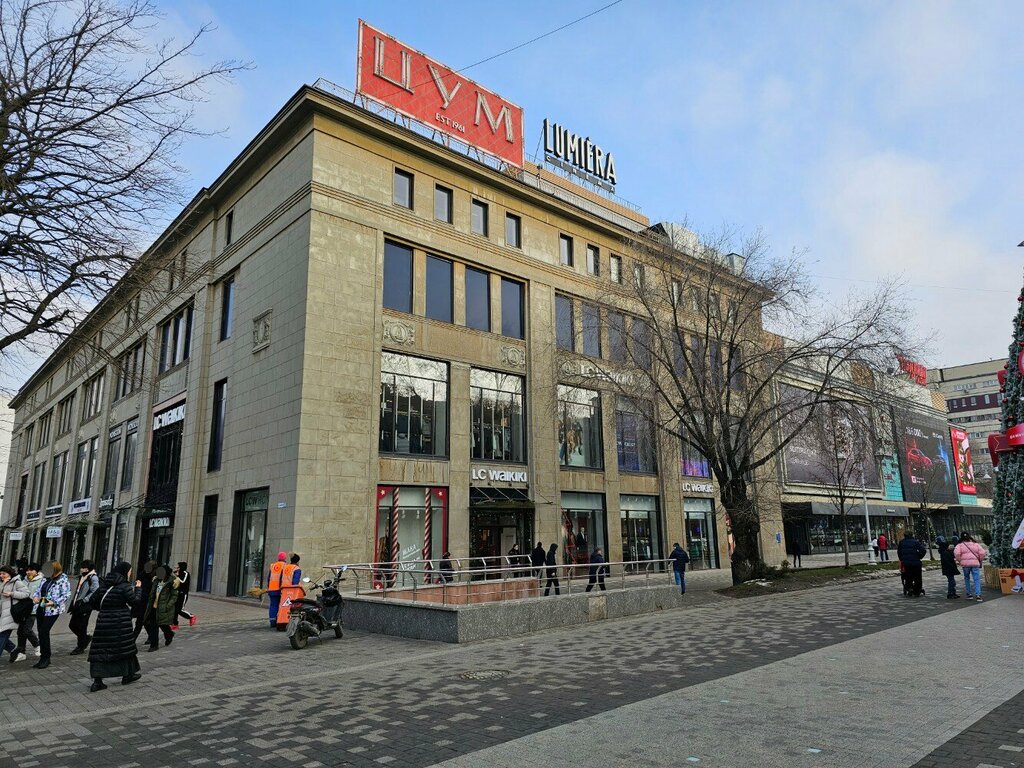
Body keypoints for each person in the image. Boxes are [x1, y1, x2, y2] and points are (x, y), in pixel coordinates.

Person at [88, 561, 142, 691]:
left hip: (103, 622)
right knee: (125, 648)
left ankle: (97, 681)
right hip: (120, 622)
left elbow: (92, 600)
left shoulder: (104, 584)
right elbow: (135, 601)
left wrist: (105, 609)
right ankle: (128, 675)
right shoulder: (125, 586)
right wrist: (138, 588)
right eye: (130, 571)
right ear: (125, 572)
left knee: (100, 649)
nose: (130, 573)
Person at [33, 560, 71, 669]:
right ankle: (44, 657)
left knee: (44, 631)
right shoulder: (45, 578)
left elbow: (66, 594)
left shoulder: (63, 579)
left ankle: (46, 657)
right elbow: (38, 590)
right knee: (41, 632)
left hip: (53, 609)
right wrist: (35, 597)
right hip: (41, 606)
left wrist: (54, 602)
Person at [10, 562, 44, 663]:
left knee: (27, 630)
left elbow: (44, 596)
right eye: (27, 570)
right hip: (22, 610)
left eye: (31, 570)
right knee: (20, 632)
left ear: (37, 571)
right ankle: (21, 653)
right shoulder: (22, 580)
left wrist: (39, 604)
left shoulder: (42, 581)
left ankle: (37, 645)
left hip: (33, 610)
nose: (28, 572)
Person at [143, 564, 179, 651]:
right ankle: (154, 645)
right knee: (153, 626)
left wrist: (167, 606)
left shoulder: (172, 582)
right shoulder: (156, 580)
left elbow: (174, 596)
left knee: (163, 625)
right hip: (154, 607)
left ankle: (169, 634)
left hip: (163, 607)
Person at [69, 560, 100, 654]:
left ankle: (80, 647)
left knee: (82, 626)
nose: (81, 569)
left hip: (86, 605)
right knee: (72, 625)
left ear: (88, 569)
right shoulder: (83, 577)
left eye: (83, 568)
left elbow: (95, 591)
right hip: (78, 604)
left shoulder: (93, 577)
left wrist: (85, 600)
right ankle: (85, 638)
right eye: (81, 567)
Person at [954, 533, 988, 601]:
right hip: (975, 564)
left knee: (967, 578)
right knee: (976, 579)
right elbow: (983, 553)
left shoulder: (959, 545)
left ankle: (969, 594)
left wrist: (960, 561)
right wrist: (979, 560)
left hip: (965, 565)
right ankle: (978, 595)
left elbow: (957, 553)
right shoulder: (976, 544)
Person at [276, 554, 303, 630]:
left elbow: (281, 578)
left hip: (284, 590)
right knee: (291, 607)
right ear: (297, 561)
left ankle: (280, 621)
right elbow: (295, 582)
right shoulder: (296, 569)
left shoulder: (285, 567)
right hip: (292, 590)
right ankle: (289, 621)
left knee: (282, 607)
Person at [897, 530, 927, 597]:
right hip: (916, 562)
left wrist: (902, 559)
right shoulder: (916, 542)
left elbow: (899, 552)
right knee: (918, 577)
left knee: (908, 576)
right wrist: (919, 556)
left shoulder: (901, 542)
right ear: (912, 535)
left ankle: (909, 588)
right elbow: (923, 550)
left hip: (906, 563)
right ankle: (917, 590)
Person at [0, 566, 20, 659]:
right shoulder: (1, 582)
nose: (1, 575)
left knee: (2, 635)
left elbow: (26, 594)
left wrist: (12, 593)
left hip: (9, 614)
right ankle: (13, 649)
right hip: (1, 613)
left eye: (4, 573)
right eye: (0, 574)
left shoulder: (16, 582)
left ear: (10, 574)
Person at [133, 561, 156, 640]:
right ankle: (151, 637)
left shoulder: (154, 577)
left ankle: (132, 640)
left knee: (141, 621)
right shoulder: (142, 574)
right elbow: (137, 585)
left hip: (148, 602)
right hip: (140, 600)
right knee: (144, 621)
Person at [170, 562, 196, 629]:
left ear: (181, 567)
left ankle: (191, 616)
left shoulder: (186, 573)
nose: (177, 568)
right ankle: (175, 624)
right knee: (175, 609)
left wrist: (177, 576)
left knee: (180, 609)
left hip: (183, 594)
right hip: (177, 593)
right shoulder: (178, 572)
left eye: (178, 567)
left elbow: (183, 581)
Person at [266, 551, 287, 628]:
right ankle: (280, 621)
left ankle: (272, 622)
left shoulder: (273, 565)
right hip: (280, 589)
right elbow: (283, 578)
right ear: (285, 558)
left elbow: (269, 578)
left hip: (272, 589)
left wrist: (268, 587)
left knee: (273, 606)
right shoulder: (285, 566)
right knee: (281, 606)